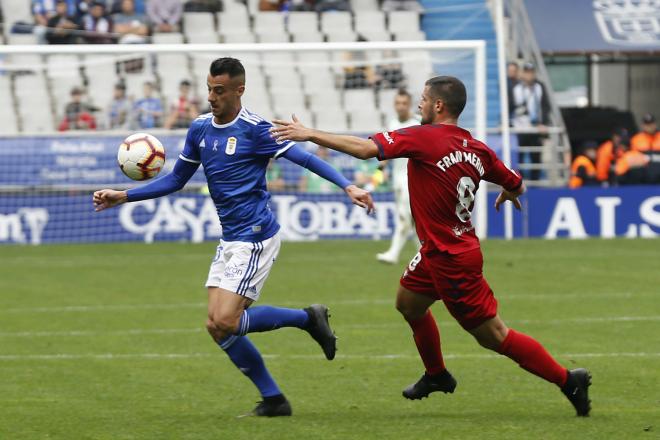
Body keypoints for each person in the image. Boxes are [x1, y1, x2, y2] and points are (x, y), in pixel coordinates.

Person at [271, 75, 592, 417]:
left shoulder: (423, 138)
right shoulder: (477, 148)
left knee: (494, 336)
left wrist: (310, 134)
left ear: (438, 105)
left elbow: (366, 150)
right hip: (438, 252)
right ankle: (436, 375)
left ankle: (567, 380)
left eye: (424, 99)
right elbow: (515, 182)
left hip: (452, 259)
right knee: (408, 304)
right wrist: (510, 191)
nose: (419, 104)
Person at [93, 57, 374, 417]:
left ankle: (307, 319)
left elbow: (305, 159)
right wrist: (124, 194)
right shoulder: (199, 129)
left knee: (226, 320)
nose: (212, 96)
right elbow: (176, 179)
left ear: (239, 90)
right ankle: (274, 399)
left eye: (220, 90)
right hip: (230, 239)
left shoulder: (256, 129)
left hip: (256, 236)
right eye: (209, 88)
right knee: (217, 327)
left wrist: (348, 185)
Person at [376, 89, 420, 264]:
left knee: (405, 217)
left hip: (414, 178)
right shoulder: (393, 123)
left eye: (404, 103)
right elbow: (386, 151)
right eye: (398, 103)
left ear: (409, 104)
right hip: (398, 178)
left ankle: (393, 254)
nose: (401, 106)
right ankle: (426, 255)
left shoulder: (417, 124)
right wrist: (378, 175)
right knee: (413, 220)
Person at [511, 62, 551, 181]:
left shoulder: (540, 87)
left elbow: (545, 106)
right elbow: (511, 107)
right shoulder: (516, 88)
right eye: (527, 72)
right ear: (523, 74)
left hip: (535, 127)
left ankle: (535, 181)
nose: (529, 75)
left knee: (536, 156)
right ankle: (519, 182)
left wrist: (543, 123)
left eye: (531, 73)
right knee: (521, 156)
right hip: (521, 127)